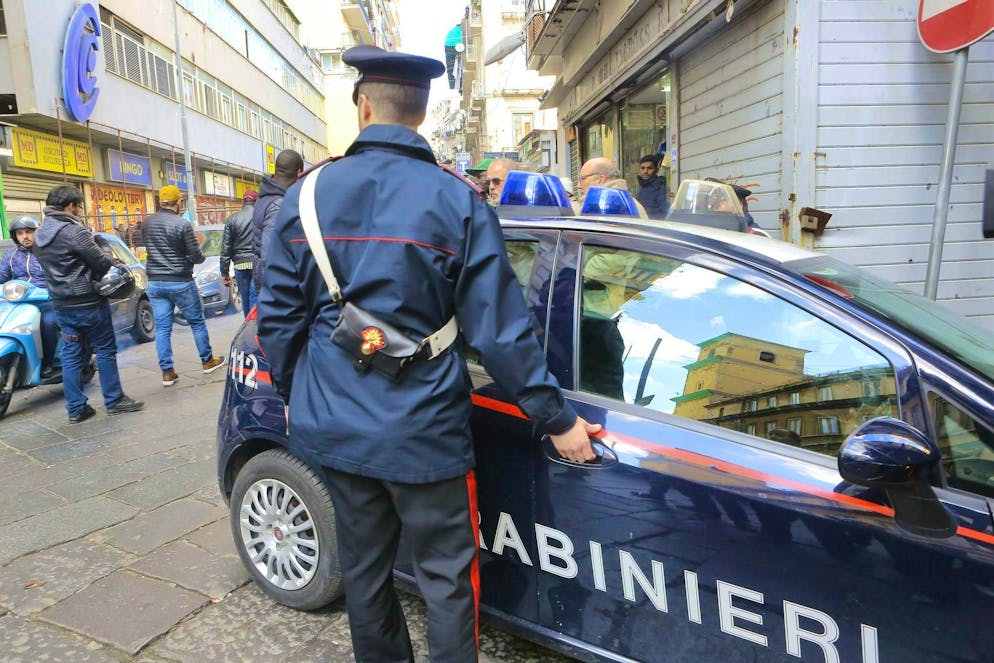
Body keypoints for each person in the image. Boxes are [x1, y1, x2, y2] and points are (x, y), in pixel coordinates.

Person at [257, 44, 599, 663]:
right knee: (446, 580)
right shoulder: (458, 200)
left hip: (335, 423)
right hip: (425, 429)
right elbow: (500, 331)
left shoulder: (304, 198)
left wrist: (297, 396)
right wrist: (556, 417)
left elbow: (279, 323)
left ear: (364, 106)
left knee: (364, 571)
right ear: (420, 112)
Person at [32, 185, 144, 423]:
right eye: (78, 206)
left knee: (71, 355)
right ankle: (114, 400)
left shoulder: (39, 235)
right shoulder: (74, 232)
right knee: (104, 349)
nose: (80, 211)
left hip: (62, 305)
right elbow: (102, 265)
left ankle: (76, 408)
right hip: (88, 303)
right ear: (70, 206)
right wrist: (103, 247)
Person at [142, 185, 225, 387]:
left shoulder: (147, 223)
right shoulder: (182, 224)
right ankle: (207, 361)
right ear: (178, 202)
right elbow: (196, 256)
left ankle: (167, 372)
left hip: (155, 282)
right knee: (197, 322)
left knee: (162, 328)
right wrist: (200, 256)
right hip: (180, 281)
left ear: (160, 201)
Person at [0, 215, 59, 377]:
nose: (24, 236)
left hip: (46, 300)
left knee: (48, 323)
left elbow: (59, 276)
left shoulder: (48, 252)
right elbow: (2, 276)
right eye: (20, 233)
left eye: (28, 232)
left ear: (37, 232)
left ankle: (47, 363)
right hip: (18, 301)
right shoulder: (10, 255)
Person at [252, 149, 303, 292]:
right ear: (299, 173)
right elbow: (269, 254)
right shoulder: (278, 204)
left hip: (260, 273)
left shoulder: (264, 196)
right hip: (273, 282)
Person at [220, 190, 258, 316]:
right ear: (256, 201)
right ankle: (256, 324)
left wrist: (224, 272)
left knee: (245, 299)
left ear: (243, 201)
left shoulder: (232, 219)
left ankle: (248, 323)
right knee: (255, 296)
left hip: (240, 265)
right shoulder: (261, 216)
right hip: (257, 262)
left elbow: (226, 247)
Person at [577, 157, 649, 219]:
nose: (579, 186)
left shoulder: (600, 206)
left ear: (600, 179)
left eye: (583, 179)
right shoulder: (631, 204)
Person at [635, 154, 669, 218]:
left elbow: (665, 212)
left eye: (649, 168)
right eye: (643, 168)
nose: (645, 171)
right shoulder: (641, 186)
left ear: (656, 170)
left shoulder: (661, 187)